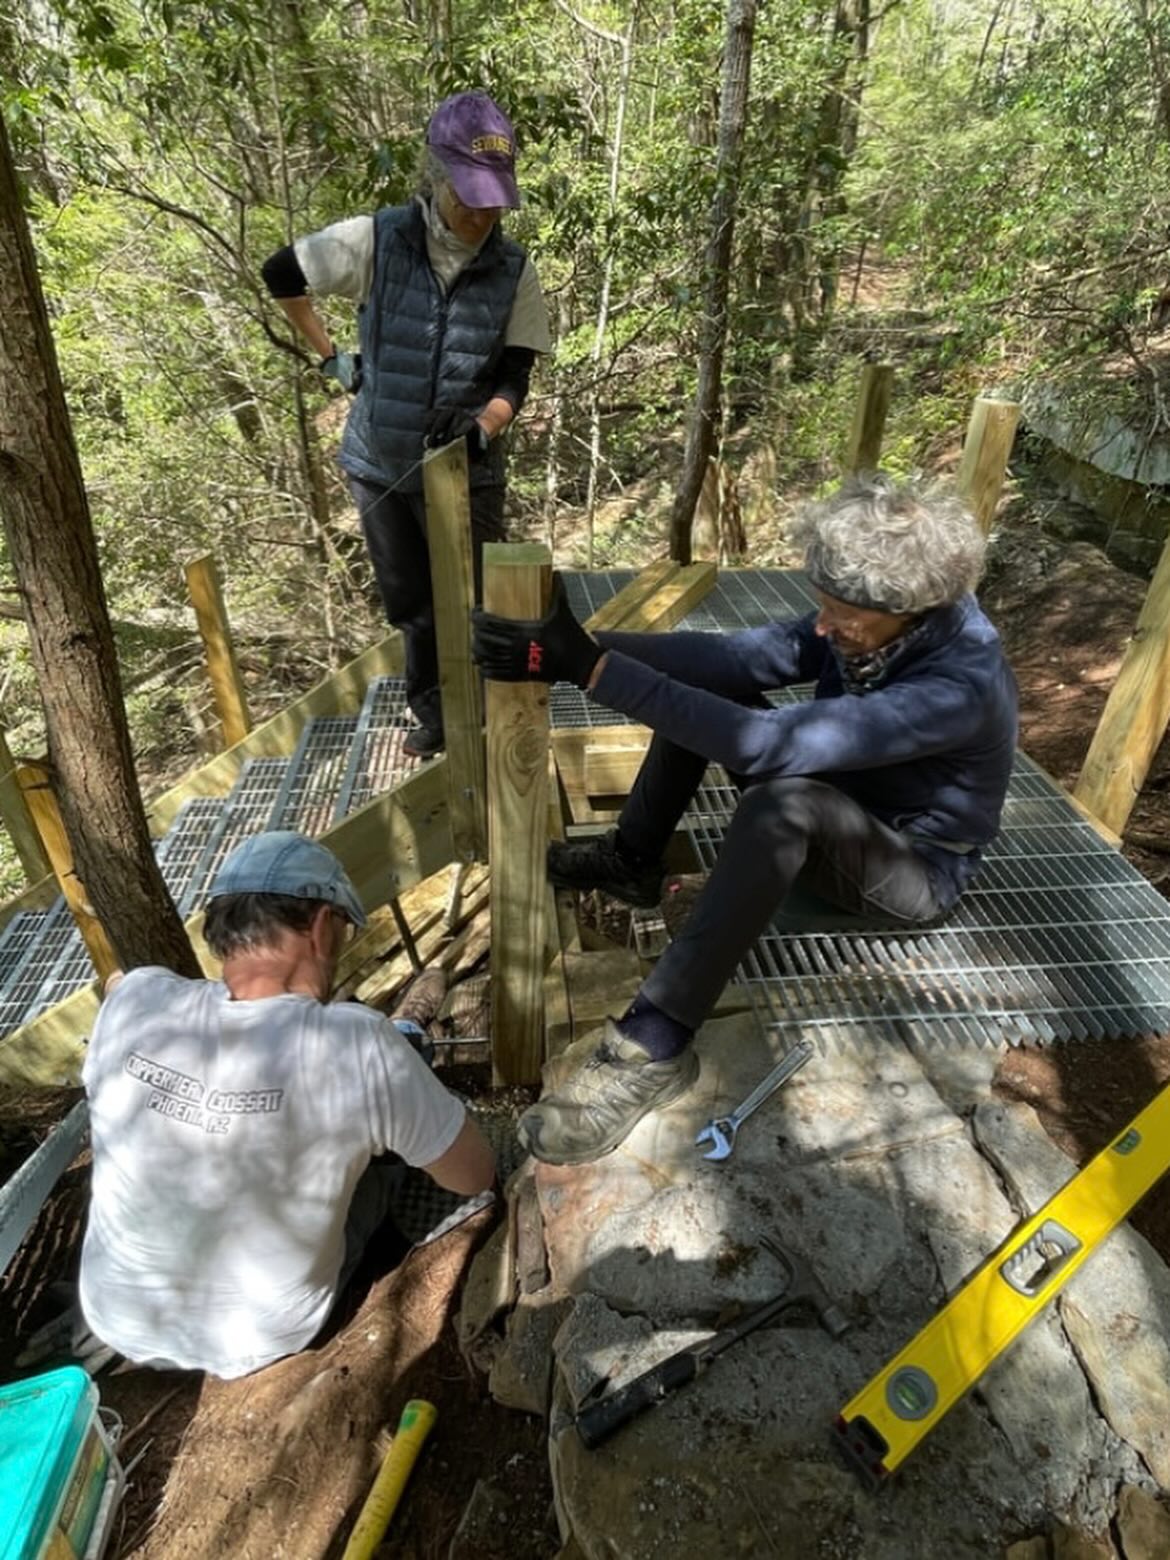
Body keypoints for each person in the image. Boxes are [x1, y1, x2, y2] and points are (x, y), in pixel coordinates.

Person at [472, 474, 1019, 1166]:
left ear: (910, 607)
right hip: (845, 797)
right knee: (706, 698)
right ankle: (631, 859)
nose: (823, 626)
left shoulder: (957, 685)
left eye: (841, 614)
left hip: (912, 867)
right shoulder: (883, 621)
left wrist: (593, 670)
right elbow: (740, 657)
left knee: (779, 801)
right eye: (821, 607)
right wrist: (572, 647)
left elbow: (766, 747)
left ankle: (655, 1044)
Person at [78, 830, 494, 1378]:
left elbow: (117, 983)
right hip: (261, 1335)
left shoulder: (135, 999)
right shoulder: (360, 1044)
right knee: (389, 1161)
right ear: (322, 928)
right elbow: (474, 1174)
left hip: (115, 1316)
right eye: (341, 931)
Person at [262, 91, 551, 761]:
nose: (481, 214)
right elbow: (283, 272)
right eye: (468, 195)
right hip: (380, 463)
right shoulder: (378, 238)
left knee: (482, 596)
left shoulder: (514, 272)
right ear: (437, 177)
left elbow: (515, 376)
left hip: (466, 467)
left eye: (493, 200)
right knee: (413, 605)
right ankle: (437, 718)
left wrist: (488, 424)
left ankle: (495, 714)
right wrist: (332, 357)